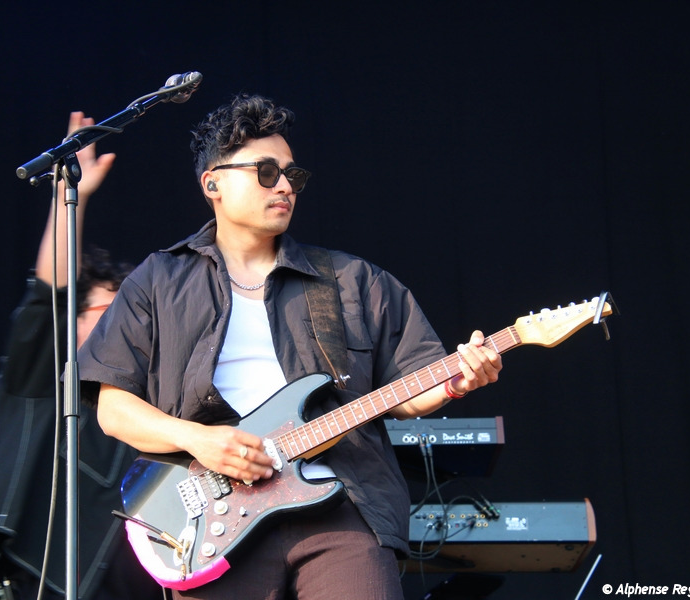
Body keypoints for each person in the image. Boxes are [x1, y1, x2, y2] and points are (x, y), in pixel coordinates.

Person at [77, 94, 503, 600]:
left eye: (292, 175)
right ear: (212, 183)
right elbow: (114, 409)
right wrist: (199, 439)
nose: (284, 185)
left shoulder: (353, 279)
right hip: (215, 520)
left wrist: (456, 381)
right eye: (265, 171)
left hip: (342, 505)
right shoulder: (158, 280)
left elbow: (409, 388)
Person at [0, 112, 160, 599]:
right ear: (73, 321)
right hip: (31, 582)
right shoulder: (43, 378)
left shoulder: (145, 410)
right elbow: (50, 295)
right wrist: (69, 196)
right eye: (106, 311)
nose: (120, 325)